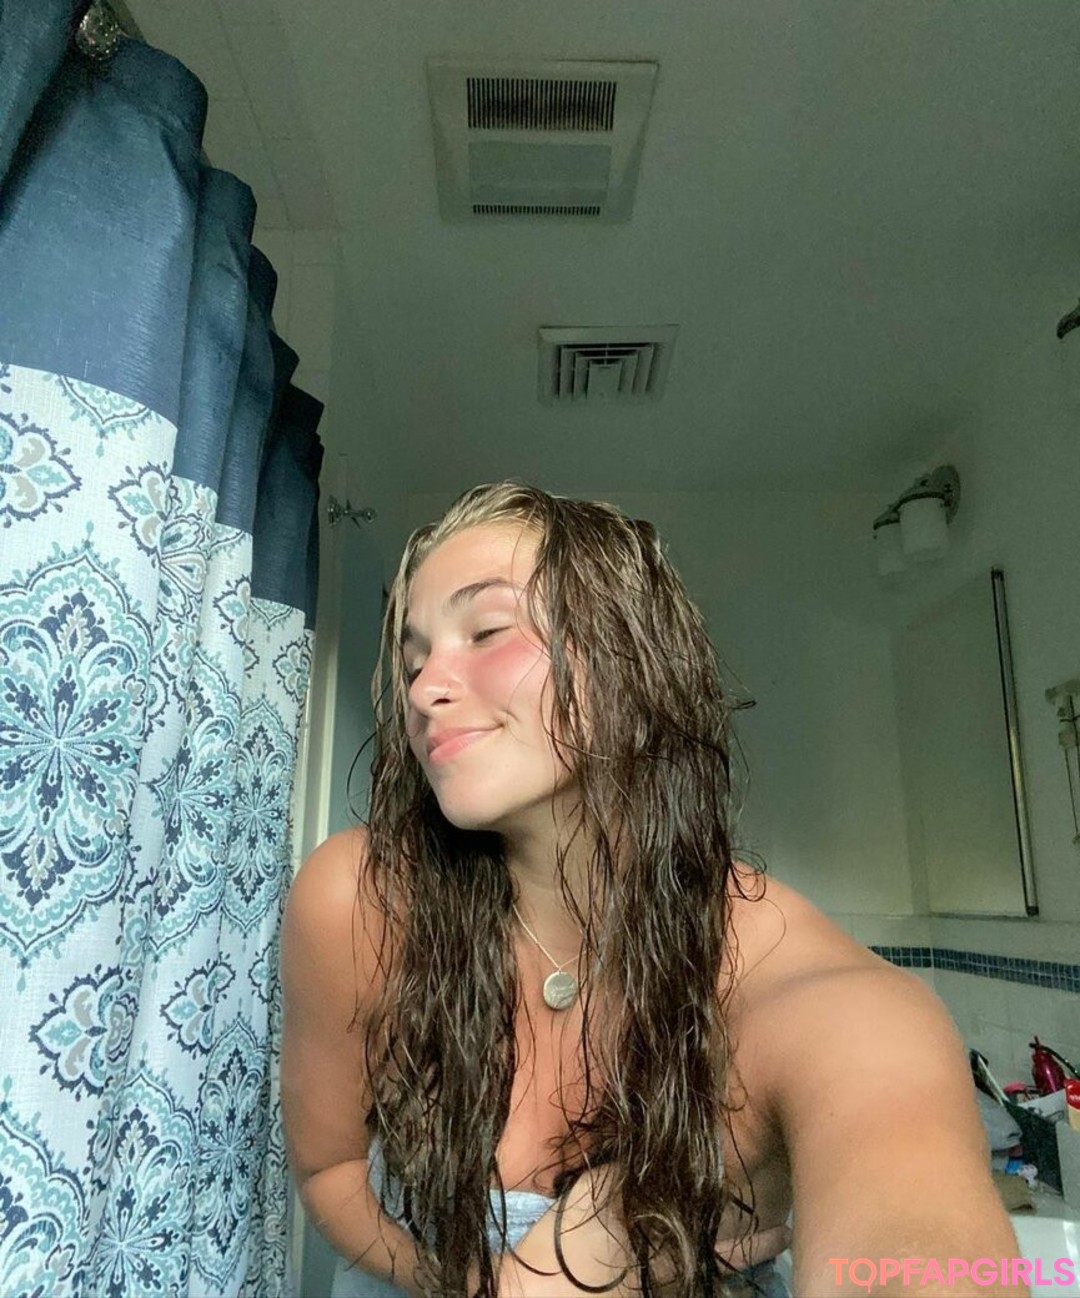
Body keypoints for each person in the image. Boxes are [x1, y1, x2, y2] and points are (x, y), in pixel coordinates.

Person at [281, 482, 1023, 1297]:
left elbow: (915, 1245)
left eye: (487, 631)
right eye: (414, 660)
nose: (423, 691)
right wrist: (491, 1286)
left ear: (629, 659)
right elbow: (329, 1169)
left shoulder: (813, 994)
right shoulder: (359, 901)